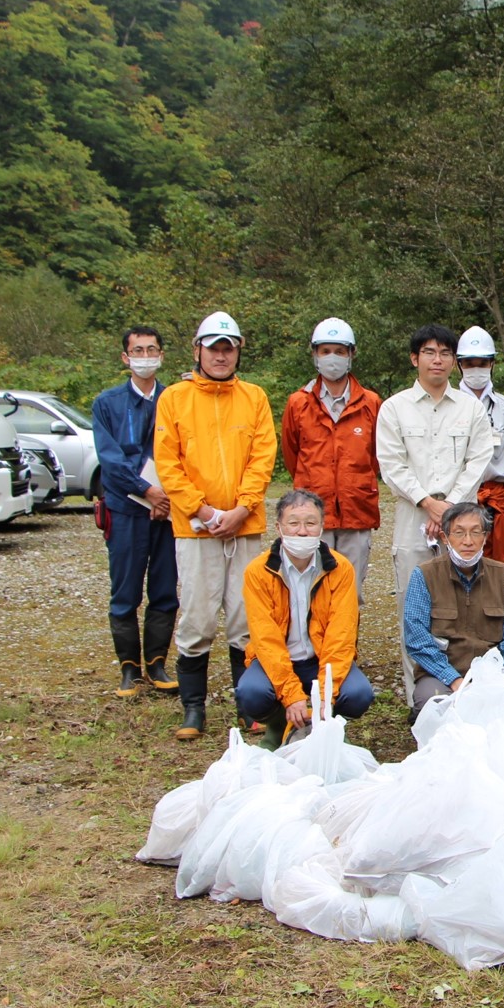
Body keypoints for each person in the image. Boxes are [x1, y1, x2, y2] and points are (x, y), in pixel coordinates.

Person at [154, 311, 278, 741]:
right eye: (213, 348)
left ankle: (250, 706)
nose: (221, 356)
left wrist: (242, 508)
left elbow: (262, 458)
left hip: (244, 526)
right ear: (197, 351)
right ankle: (193, 709)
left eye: (228, 349)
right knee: (198, 616)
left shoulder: (254, 397)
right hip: (195, 528)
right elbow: (168, 463)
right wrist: (203, 511)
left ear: (238, 351)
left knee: (246, 618)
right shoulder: (174, 398)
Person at [376, 324, 499, 692]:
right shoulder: (394, 408)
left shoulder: (470, 408)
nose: (438, 360)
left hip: (461, 520)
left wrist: (448, 510)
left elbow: (478, 460)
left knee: (462, 604)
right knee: (413, 607)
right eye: (429, 352)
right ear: (415, 359)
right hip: (413, 515)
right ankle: (418, 697)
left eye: (445, 353)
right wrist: (428, 504)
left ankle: (462, 690)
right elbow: (392, 464)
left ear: (454, 361)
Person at [236, 490, 375, 747]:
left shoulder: (340, 568)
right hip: (277, 659)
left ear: (322, 527)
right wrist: (291, 695)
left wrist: (325, 696)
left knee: (358, 695)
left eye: (311, 523)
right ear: (279, 527)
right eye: (293, 523)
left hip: (320, 658)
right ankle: (278, 726)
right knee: (251, 693)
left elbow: (341, 635)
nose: (302, 532)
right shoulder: (258, 571)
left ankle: (327, 725)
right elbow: (265, 638)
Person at [92, 327, 178, 699]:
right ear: (126, 358)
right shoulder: (107, 403)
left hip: (166, 510)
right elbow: (110, 459)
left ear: (162, 355)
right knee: (125, 589)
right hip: (126, 508)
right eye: (138, 350)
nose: (145, 356)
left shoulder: (174, 399)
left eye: (151, 349)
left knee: (165, 588)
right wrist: (147, 491)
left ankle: (157, 662)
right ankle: (129, 668)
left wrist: (165, 498)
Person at [280, 318, 383, 610]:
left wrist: (354, 483)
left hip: (357, 511)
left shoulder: (371, 403)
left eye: (339, 351)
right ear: (315, 354)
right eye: (325, 351)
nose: (332, 358)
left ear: (351, 354)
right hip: (313, 512)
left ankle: (346, 642)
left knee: (350, 593)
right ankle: (311, 641)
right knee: (311, 591)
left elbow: (377, 457)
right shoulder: (298, 403)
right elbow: (292, 454)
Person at [401, 502, 504, 716]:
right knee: (431, 702)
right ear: (445, 537)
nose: (468, 541)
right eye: (459, 533)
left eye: (476, 532)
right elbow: (417, 639)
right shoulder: (424, 575)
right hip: (444, 674)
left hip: (496, 672)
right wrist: (454, 680)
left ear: (485, 537)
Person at [454, 326, 504, 591]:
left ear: (492, 364)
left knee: (502, 564)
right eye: (469, 363)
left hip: (494, 497)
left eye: (482, 363)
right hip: (458, 496)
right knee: (460, 563)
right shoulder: (447, 406)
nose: (476, 369)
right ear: (459, 365)